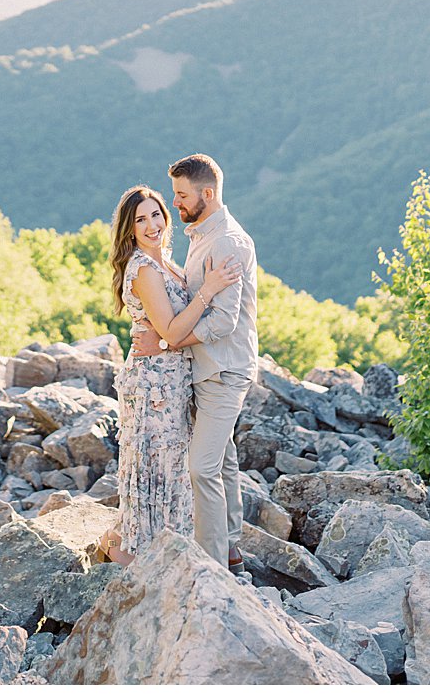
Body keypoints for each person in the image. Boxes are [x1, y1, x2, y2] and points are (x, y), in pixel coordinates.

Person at [99, 184, 241, 566]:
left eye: (156, 214)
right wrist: (208, 290)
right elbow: (173, 332)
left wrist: (164, 343)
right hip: (153, 386)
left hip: (173, 378)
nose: (151, 225)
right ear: (129, 229)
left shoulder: (167, 263)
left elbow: (166, 338)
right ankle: (129, 552)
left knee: (172, 468)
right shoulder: (144, 269)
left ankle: (162, 549)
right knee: (155, 467)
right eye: (140, 220)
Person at [131, 154, 258, 573]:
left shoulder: (226, 242)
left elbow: (223, 320)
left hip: (223, 369)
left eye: (181, 195)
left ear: (207, 193)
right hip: (203, 368)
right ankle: (232, 546)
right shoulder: (200, 235)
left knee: (201, 468)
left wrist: (167, 344)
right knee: (223, 460)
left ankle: (213, 565)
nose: (175, 203)